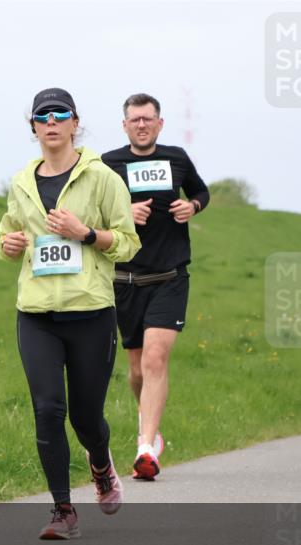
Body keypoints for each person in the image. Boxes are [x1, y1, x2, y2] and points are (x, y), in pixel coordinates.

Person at [0, 88, 140, 539]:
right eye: (43, 116)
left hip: (90, 313)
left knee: (86, 418)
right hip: (36, 313)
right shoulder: (21, 182)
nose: (52, 122)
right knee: (47, 409)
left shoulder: (102, 178)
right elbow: (8, 233)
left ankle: (101, 465)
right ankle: (63, 510)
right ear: (33, 127)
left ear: (75, 123)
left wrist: (87, 233)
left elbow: (128, 243)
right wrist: (7, 244)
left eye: (60, 114)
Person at [101, 94, 210, 480]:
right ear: (125, 125)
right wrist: (122, 213)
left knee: (155, 359)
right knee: (136, 369)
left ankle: (146, 447)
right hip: (126, 280)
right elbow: (92, 212)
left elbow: (201, 192)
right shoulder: (107, 164)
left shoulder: (176, 158)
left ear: (160, 124)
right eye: (135, 120)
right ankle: (148, 422)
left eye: (148, 119)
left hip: (169, 277)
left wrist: (192, 207)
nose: (142, 125)